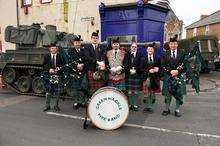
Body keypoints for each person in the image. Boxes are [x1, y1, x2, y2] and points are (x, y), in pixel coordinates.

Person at [161, 36, 186, 117]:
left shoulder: (182, 53)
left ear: (177, 44)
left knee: (179, 93)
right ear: (169, 45)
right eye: (171, 44)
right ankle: (166, 109)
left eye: (174, 44)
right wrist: (170, 71)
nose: (173, 45)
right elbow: (163, 65)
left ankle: (177, 109)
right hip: (168, 76)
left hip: (179, 76)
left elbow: (184, 65)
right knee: (168, 94)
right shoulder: (165, 54)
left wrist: (178, 71)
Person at [42, 43, 65, 112]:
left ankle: (56, 105)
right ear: (50, 49)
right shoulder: (46, 56)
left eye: (55, 48)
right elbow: (44, 65)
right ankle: (47, 105)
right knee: (48, 90)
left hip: (57, 75)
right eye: (52, 48)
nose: (53, 49)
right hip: (49, 75)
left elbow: (63, 65)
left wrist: (59, 68)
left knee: (57, 91)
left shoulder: (60, 56)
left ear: (56, 49)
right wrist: (49, 69)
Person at [67, 35, 88, 109]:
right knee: (75, 87)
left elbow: (87, 60)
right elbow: (69, 61)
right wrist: (76, 65)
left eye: (78, 42)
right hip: (74, 72)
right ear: (73, 43)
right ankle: (76, 102)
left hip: (83, 71)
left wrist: (82, 64)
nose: (77, 44)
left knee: (82, 86)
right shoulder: (70, 51)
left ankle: (82, 102)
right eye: (76, 42)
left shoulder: (84, 50)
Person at [123, 42, 144, 111]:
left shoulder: (140, 55)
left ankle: (135, 105)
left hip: (137, 75)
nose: (134, 48)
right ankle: (130, 104)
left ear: (137, 48)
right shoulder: (127, 54)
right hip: (129, 75)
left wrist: (136, 70)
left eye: (135, 47)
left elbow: (141, 65)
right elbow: (125, 64)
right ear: (130, 47)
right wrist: (129, 70)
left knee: (135, 91)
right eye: (132, 46)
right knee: (129, 91)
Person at [142, 42, 161, 113]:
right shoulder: (143, 58)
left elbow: (160, 67)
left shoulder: (157, 58)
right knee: (146, 93)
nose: (150, 50)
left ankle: (150, 106)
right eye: (149, 49)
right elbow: (141, 68)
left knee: (152, 93)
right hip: (146, 78)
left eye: (151, 49)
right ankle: (146, 107)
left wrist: (158, 69)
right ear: (147, 50)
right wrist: (148, 71)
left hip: (154, 78)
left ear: (153, 50)